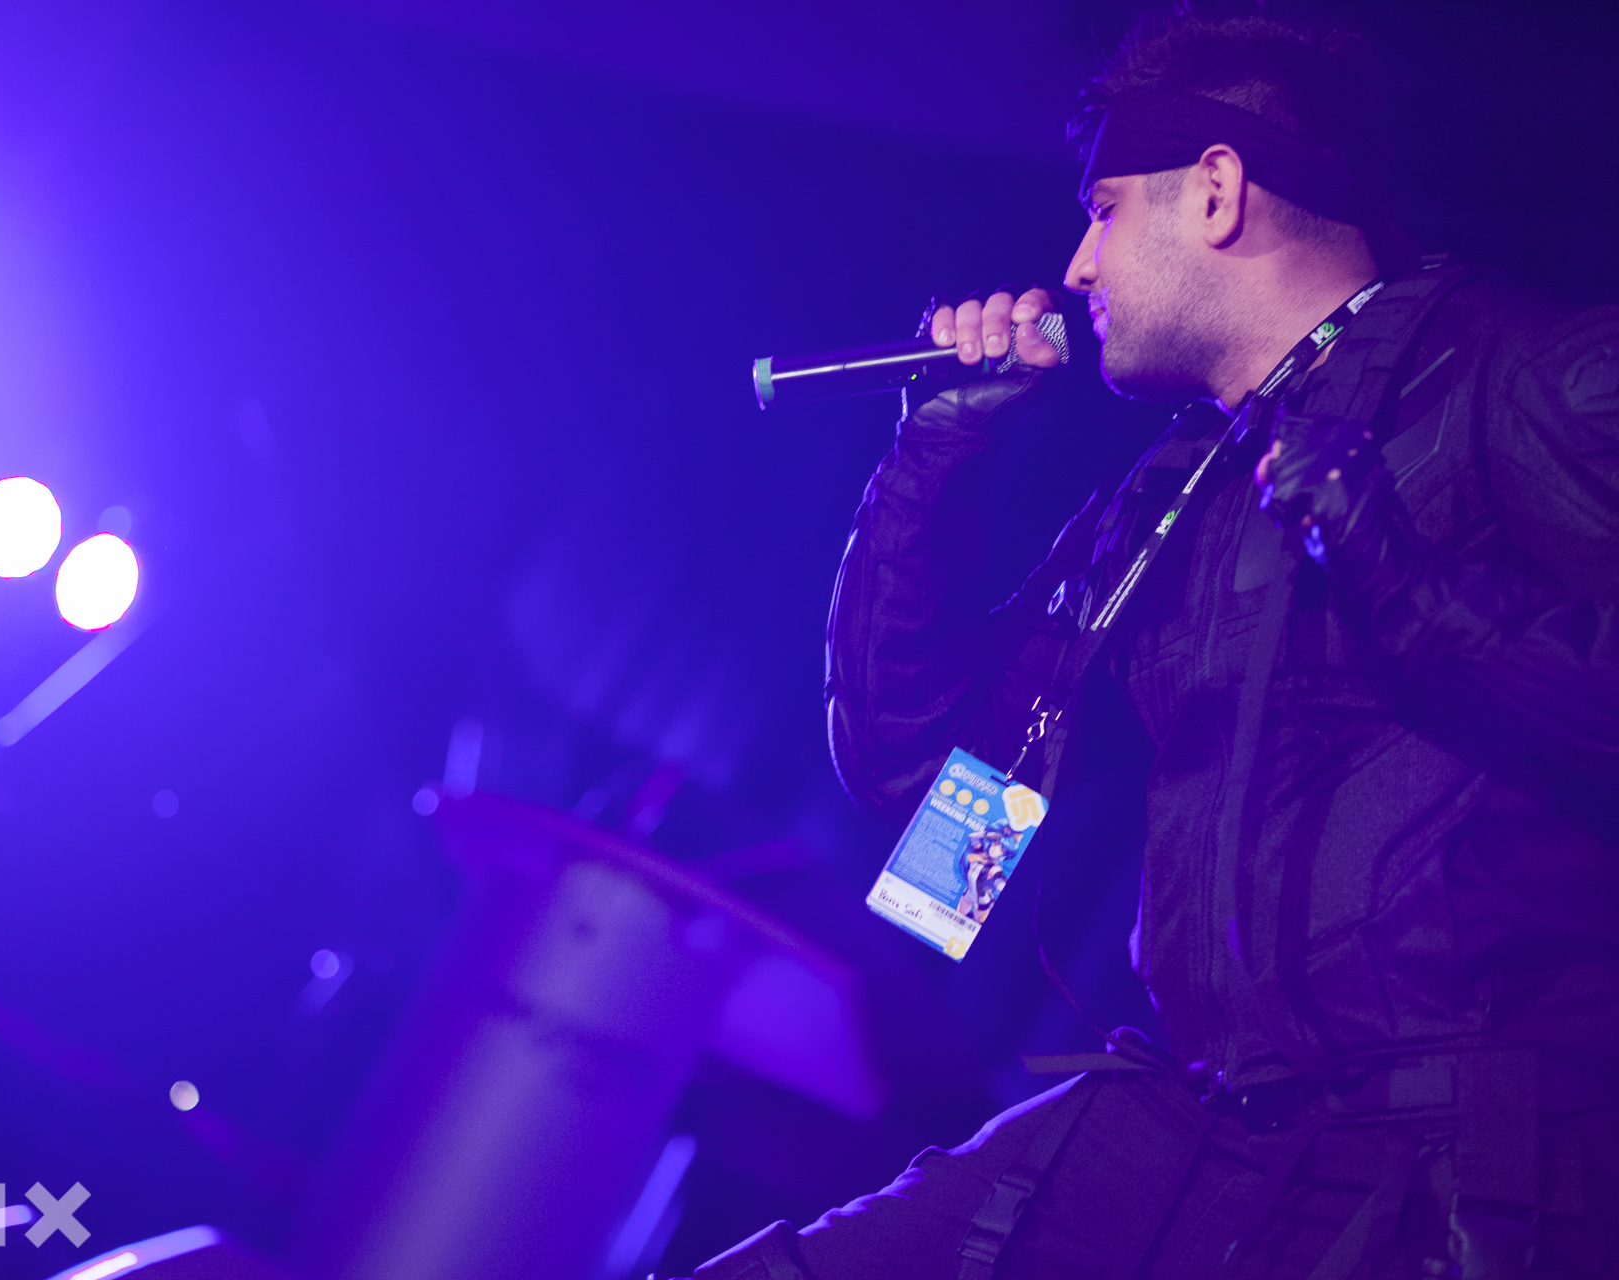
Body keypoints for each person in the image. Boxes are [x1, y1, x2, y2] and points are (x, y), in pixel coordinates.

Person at [690, 14, 1619, 1280]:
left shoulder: (1523, 372)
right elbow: (931, 813)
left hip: (1473, 1151)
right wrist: (936, 453)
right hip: (1201, 1124)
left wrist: (1401, 581)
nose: (1075, 265)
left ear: (1219, 191)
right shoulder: (1175, 495)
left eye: (1105, 211)